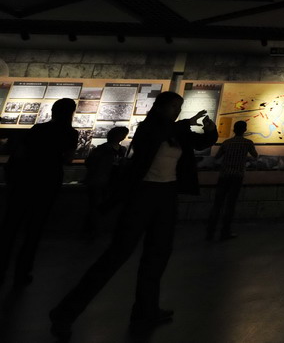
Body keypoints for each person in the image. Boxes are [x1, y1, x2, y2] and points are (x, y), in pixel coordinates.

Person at [50, 92, 215, 338]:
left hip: (166, 194)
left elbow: (200, 143)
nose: (177, 111)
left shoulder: (175, 131)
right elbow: (157, 136)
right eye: (173, 106)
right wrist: (183, 124)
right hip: (143, 194)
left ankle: (146, 310)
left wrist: (210, 131)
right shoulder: (149, 128)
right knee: (117, 253)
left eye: (179, 107)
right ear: (159, 107)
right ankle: (66, 312)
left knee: (157, 255)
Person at [0, 98, 78, 288]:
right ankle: (23, 271)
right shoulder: (70, 133)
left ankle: (1, 269)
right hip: (48, 182)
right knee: (34, 230)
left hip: (25, 180)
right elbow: (68, 158)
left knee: (10, 228)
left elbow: (21, 152)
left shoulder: (38, 129)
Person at [206, 120, 258, 241]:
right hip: (237, 176)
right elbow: (255, 155)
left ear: (234, 129)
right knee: (230, 205)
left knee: (217, 204)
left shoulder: (227, 142)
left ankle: (210, 232)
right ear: (245, 130)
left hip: (224, 175)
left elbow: (217, 157)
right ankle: (225, 231)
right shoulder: (247, 143)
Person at [82, 125, 130, 237]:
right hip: (101, 180)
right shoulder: (102, 150)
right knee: (96, 205)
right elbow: (91, 163)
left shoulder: (121, 150)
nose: (123, 137)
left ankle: (95, 228)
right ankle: (93, 229)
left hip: (112, 181)